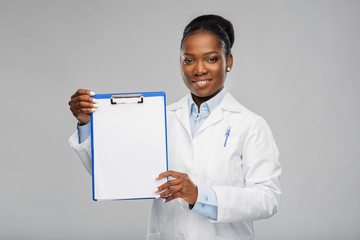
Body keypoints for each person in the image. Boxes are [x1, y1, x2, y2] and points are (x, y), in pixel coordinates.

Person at [68, 14, 281, 240]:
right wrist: (86, 124)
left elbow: (267, 198)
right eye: (188, 60)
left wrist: (200, 196)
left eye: (211, 59)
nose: (198, 69)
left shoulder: (250, 125)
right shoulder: (160, 118)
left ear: (228, 61)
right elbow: (116, 174)